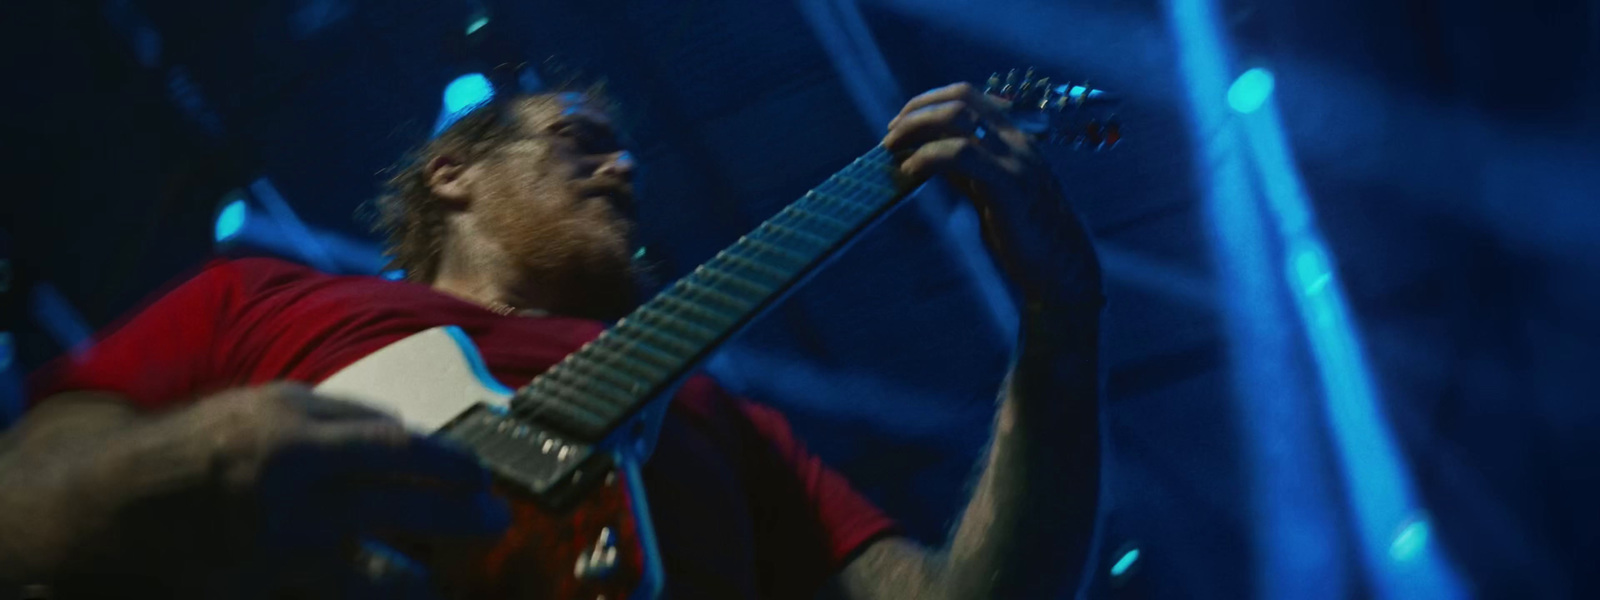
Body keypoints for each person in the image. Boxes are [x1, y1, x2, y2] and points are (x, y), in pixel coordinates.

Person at [0, 81, 1106, 599]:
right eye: (581, 143)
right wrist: (190, 467)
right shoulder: (257, 299)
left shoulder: (727, 424)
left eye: (625, 154)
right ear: (451, 173)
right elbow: (23, 495)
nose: (625, 167)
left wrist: (1061, 326)